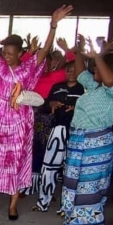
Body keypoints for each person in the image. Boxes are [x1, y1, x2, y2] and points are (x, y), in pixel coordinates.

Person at [0, 5, 73, 220]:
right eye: (4, 53)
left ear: (20, 53)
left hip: (18, 126)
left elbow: (45, 51)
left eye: (10, 54)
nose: (6, 57)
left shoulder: (27, 68)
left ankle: (13, 205)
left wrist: (53, 25)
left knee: (15, 162)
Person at [59, 44, 113, 225]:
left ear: (111, 69)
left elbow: (109, 80)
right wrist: (78, 52)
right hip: (79, 142)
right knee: (76, 187)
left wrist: (98, 55)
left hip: (96, 146)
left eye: (99, 67)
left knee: (91, 190)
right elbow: (80, 74)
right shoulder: (96, 87)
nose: (94, 70)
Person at [33, 59, 84, 212]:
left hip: (75, 132)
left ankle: (67, 207)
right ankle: (43, 202)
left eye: (74, 70)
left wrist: (76, 108)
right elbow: (44, 105)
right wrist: (51, 104)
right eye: (68, 70)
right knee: (49, 167)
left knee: (71, 170)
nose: (71, 73)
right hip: (55, 131)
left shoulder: (83, 89)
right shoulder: (56, 87)